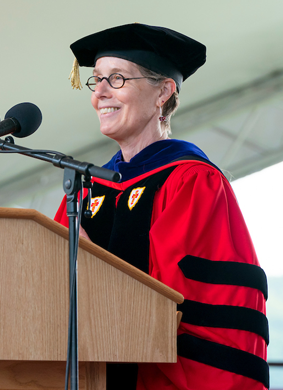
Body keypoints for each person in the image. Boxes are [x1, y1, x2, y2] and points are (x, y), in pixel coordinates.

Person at [55, 24, 268, 390]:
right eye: (97, 81)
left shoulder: (192, 182)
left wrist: (90, 265)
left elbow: (187, 299)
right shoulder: (86, 187)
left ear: (163, 92)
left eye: (117, 79)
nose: (99, 94)